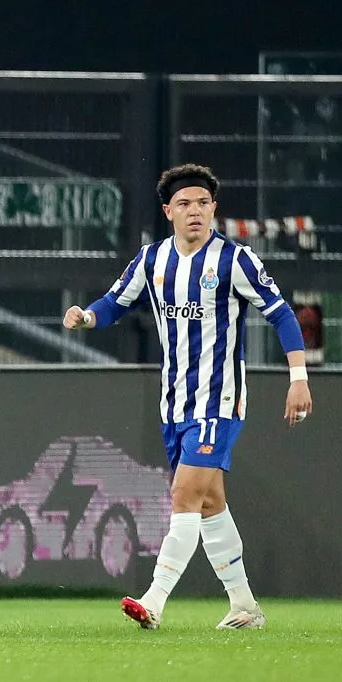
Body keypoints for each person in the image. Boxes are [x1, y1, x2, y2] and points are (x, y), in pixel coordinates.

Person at [62, 163, 313, 630]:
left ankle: (153, 601)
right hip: (174, 403)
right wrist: (87, 318)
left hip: (219, 401)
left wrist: (298, 376)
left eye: (203, 203)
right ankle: (244, 606)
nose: (195, 211)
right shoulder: (152, 260)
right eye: (184, 204)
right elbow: (116, 301)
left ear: (214, 209)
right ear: (168, 212)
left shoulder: (235, 261)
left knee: (184, 494)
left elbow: (281, 314)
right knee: (210, 502)